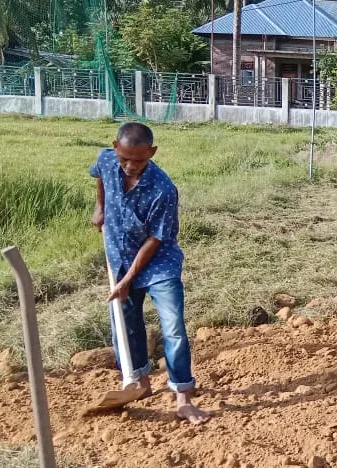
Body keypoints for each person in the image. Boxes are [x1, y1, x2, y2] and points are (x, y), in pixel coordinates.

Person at [90, 122, 209, 424]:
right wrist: (100, 207)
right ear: (115, 148)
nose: (130, 166)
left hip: (158, 263)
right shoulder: (106, 160)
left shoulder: (163, 189)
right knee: (126, 326)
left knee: (172, 327)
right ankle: (140, 384)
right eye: (124, 158)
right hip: (119, 255)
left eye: (139, 160)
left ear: (152, 153)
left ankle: (183, 396)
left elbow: (155, 240)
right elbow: (99, 176)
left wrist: (128, 280)